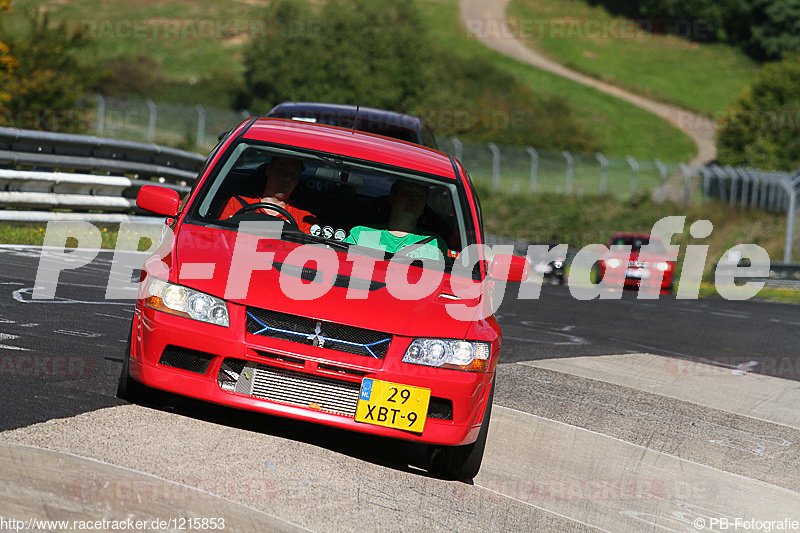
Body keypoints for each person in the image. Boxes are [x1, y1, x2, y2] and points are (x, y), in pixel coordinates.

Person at [343, 180, 447, 260]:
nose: (414, 199)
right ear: (393, 197)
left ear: (424, 206)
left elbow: (449, 282)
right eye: (408, 193)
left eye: (420, 195)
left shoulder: (435, 244)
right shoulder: (362, 233)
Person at [219, 156, 317, 233]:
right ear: (268, 170)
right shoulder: (236, 204)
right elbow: (218, 236)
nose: (287, 178)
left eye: (294, 174)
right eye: (282, 170)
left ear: (297, 181)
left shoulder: (304, 219)